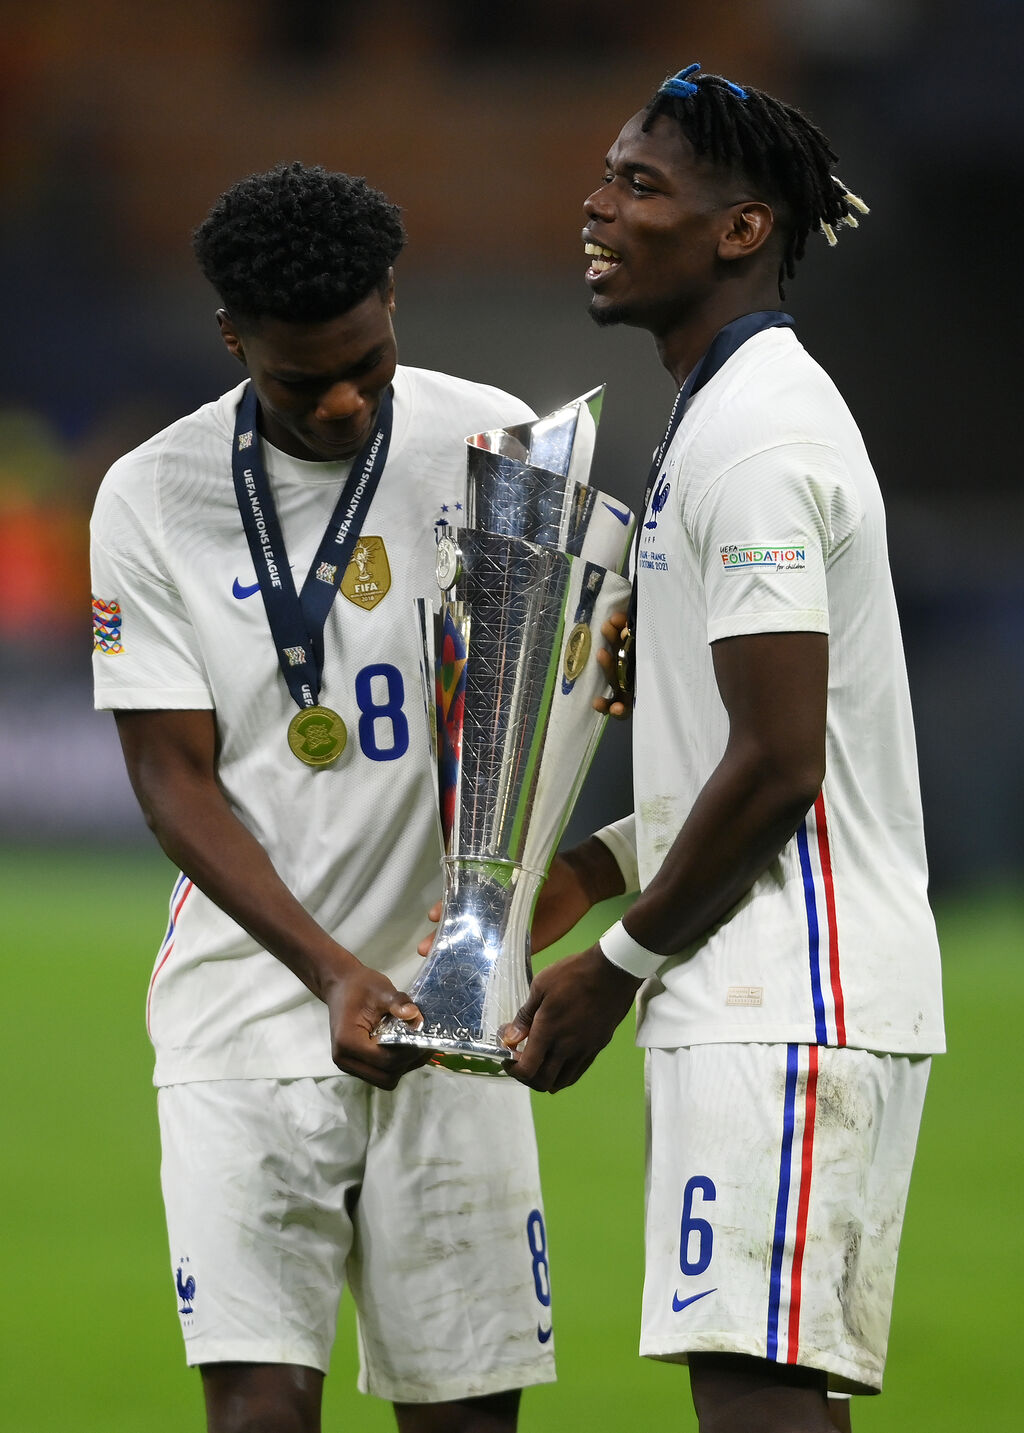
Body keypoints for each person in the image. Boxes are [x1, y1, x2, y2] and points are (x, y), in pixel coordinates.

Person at [502, 64, 945, 1433]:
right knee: (755, 1382)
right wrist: (599, 861)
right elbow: (752, 753)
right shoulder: (715, 417)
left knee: (754, 1392)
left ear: (740, 229)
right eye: (607, 178)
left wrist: (613, 971)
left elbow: (785, 762)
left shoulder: (756, 436)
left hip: (787, 992)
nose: (599, 205)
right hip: (756, 985)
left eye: (641, 186)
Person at [90, 163, 556, 1433]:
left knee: (465, 1415)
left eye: (371, 361)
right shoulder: (152, 490)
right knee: (257, 1411)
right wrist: (326, 969)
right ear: (233, 338)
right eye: (305, 381)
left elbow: (558, 708)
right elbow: (170, 778)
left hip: (451, 1008)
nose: (349, 400)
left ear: (394, 299)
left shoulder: (498, 447)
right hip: (246, 1010)